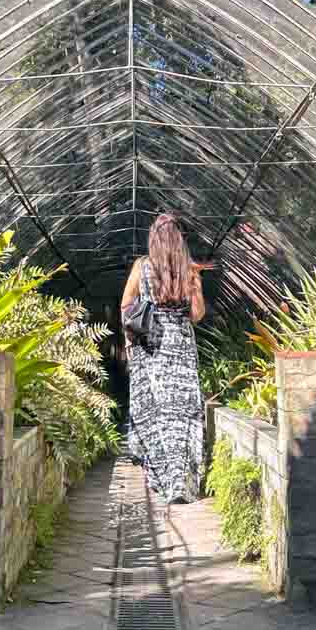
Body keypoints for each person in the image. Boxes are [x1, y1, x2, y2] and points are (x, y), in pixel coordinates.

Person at [121, 213, 206, 505]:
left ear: (154, 239)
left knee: (157, 416)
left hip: (151, 349)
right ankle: (182, 482)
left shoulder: (141, 267)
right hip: (181, 350)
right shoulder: (190, 271)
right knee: (182, 416)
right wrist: (193, 288)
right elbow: (197, 315)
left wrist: (130, 340)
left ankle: (161, 480)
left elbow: (125, 306)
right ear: (179, 240)